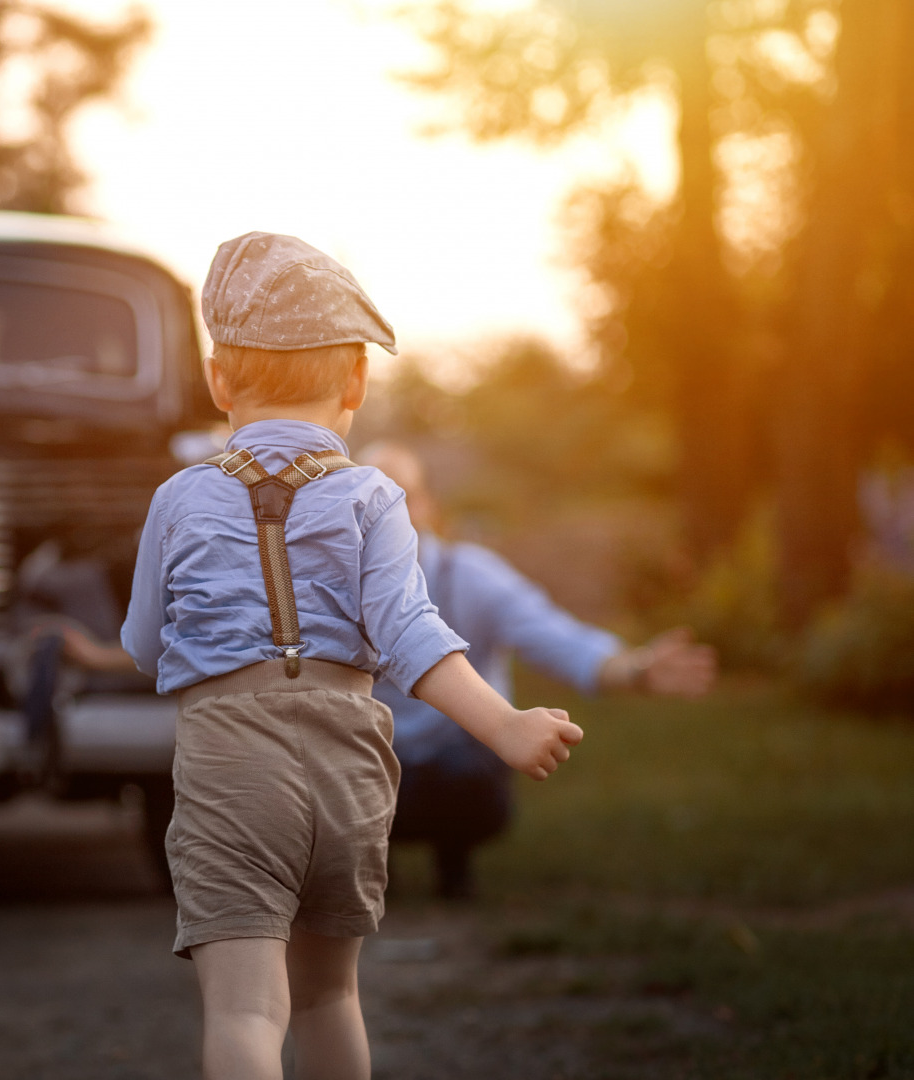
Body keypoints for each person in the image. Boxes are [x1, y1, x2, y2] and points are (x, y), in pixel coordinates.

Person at [118, 232, 583, 1080]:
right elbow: (412, 632)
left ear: (219, 380)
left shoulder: (177, 498)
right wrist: (505, 724)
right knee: (330, 997)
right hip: (347, 761)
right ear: (357, 383)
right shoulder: (375, 496)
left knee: (248, 1009)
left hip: (231, 763)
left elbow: (143, 644)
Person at [359, 442, 717, 900]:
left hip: (455, 758)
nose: (386, 513)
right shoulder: (321, 584)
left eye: (401, 496)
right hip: (368, 757)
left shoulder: (470, 574)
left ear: (428, 506)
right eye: (370, 499)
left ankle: (452, 855)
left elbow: (555, 638)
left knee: (464, 776)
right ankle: (370, 856)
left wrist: (637, 670)